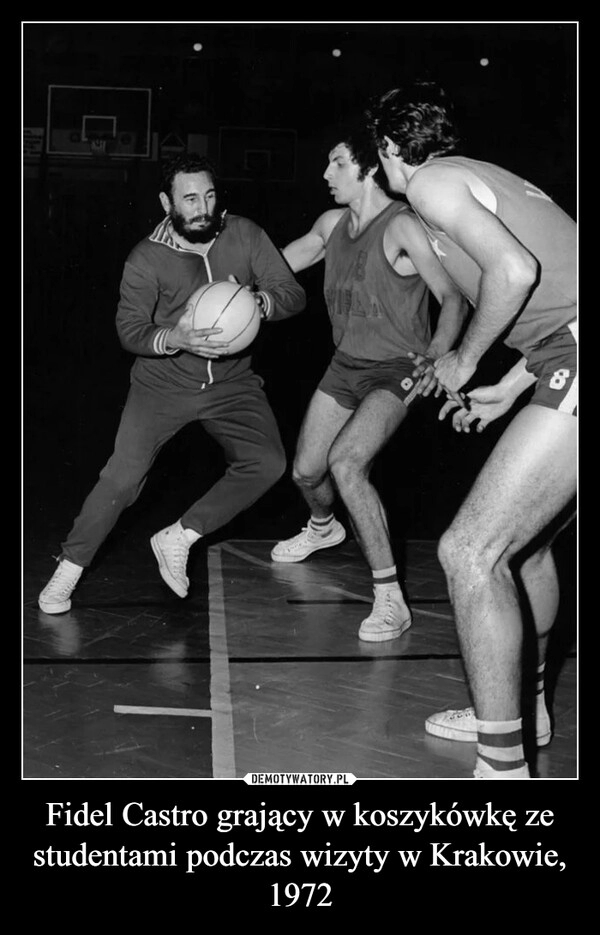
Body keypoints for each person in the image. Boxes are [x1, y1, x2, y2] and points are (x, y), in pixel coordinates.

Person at [367, 81, 576, 777]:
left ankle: (502, 768)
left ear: (393, 149)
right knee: (526, 549)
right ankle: (526, 709)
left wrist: (460, 359)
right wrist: (506, 390)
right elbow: (557, 298)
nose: (382, 172)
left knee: (469, 551)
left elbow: (515, 272)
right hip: (562, 358)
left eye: (379, 157)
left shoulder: (432, 185)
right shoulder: (478, 179)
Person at [38, 153, 306, 614]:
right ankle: (68, 569)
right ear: (167, 202)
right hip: (162, 384)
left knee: (267, 462)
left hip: (232, 383)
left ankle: (180, 536)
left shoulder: (244, 233)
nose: (202, 207)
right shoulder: (146, 257)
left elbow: (292, 294)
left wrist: (257, 302)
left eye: (209, 195)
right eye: (189, 198)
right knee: (122, 479)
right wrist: (174, 338)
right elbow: (130, 330)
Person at [271, 126, 467, 642]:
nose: (325, 173)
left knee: (347, 463)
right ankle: (322, 528)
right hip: (345, 366)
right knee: (307, 474)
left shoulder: (401, 226)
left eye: (337, 163)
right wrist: (229, 283)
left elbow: (452, 297)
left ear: (369, 168)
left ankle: (390, 599)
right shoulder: (332, 222)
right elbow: (283, 261)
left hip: (397, 369)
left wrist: (438, 358)